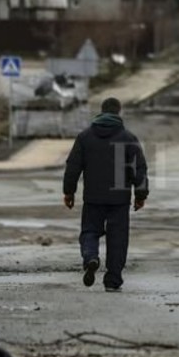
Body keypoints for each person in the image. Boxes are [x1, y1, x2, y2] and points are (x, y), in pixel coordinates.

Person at [63, 97, 149, 291]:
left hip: (93, 197)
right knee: (118, 239)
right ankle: (112, 280)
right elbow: (139, 169)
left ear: (101, 112)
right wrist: (141, 195)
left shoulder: (85, 137)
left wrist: (69, 192)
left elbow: (73, 167)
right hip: (119, 199)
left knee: (89, 231)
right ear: (119, 112)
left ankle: (91, 257)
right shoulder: (128, 138)